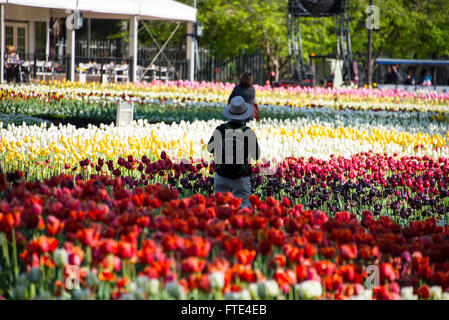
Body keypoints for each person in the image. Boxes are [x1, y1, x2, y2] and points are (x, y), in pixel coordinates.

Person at [207, 96, 260, 208]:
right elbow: (256, 155)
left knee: (221, 211)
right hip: (240, 178)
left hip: (221, 176)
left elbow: (210, 148)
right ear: (245, 115)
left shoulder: (220, 129)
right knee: (243, 212)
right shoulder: (248, 132)